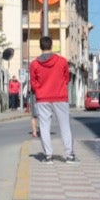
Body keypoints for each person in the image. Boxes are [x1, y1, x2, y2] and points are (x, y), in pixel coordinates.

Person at [29, 34, 74, 163]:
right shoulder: (62, 61)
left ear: (40, 47)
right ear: (51, 46)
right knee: (65, 126)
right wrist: (60, 86)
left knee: (44, 127)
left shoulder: (34, 64)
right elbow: (67, 78)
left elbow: (33, 82)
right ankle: (69, 155)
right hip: (60, 97)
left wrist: (39, 90)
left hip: (42, 98)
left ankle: (48, 156)